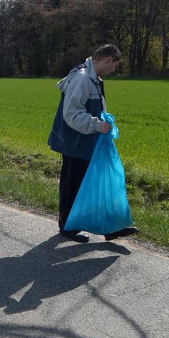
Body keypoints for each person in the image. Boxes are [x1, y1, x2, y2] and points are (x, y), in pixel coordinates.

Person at [47, 44, 138, 243]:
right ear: (108, 59)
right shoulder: (82, 79)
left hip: (89, 142)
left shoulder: (94, 78)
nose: (114, 70)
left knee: (97, 183)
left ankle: (110, 227)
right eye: (115, 65)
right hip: (76, 143)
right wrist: (97, 125)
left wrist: (104, 123)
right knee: (74, 186)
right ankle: (68, 227)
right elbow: (71, 114)